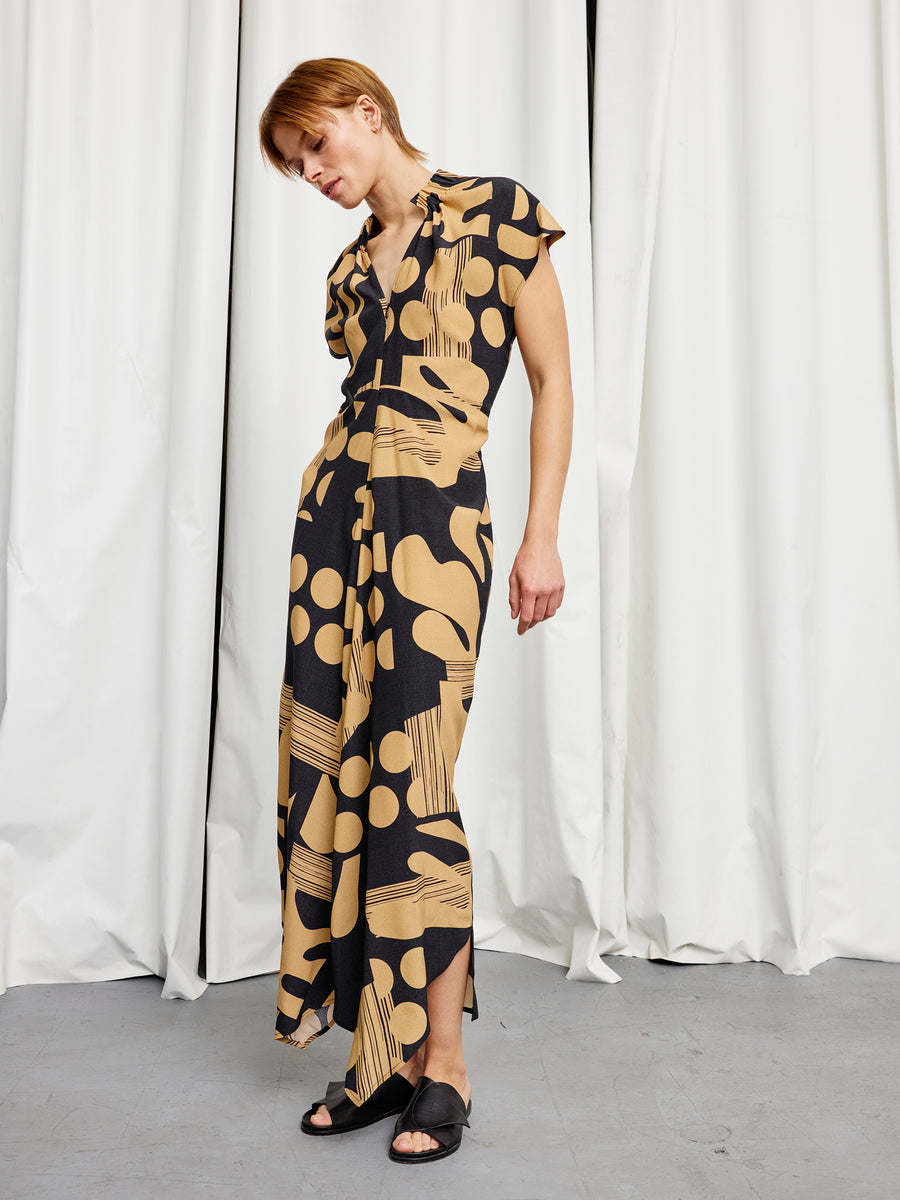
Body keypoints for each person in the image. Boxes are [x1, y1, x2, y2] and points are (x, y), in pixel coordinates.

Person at [259, 57, 573, 1164]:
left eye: (317, 148)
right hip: (335, 526)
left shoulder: (499, 214)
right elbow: (359, 404)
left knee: (416, 782)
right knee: (341, 768)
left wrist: (539, 535)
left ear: (367, 111)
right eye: (296, 167)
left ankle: (444, 1062)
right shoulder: (350, 276)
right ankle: (381, 1059)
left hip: (440, 526)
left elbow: (551, 384)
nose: (314, 175)